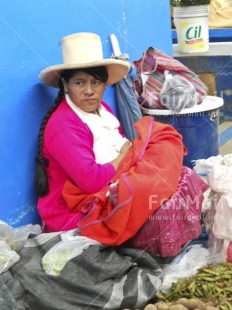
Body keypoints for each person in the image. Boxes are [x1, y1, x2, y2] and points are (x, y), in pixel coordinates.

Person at [35, 32, 186, 242]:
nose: (89, 91)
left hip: (114, 174)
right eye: (79, 83)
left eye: (96, 82)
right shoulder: (64, 126)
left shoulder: (102, 108)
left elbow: (123, 144)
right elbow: (91, 182)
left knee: (166, 137)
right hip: (76, 210)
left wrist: (129, 154)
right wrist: (124, 155)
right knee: (143, 187)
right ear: (65, 86)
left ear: (104, 85)